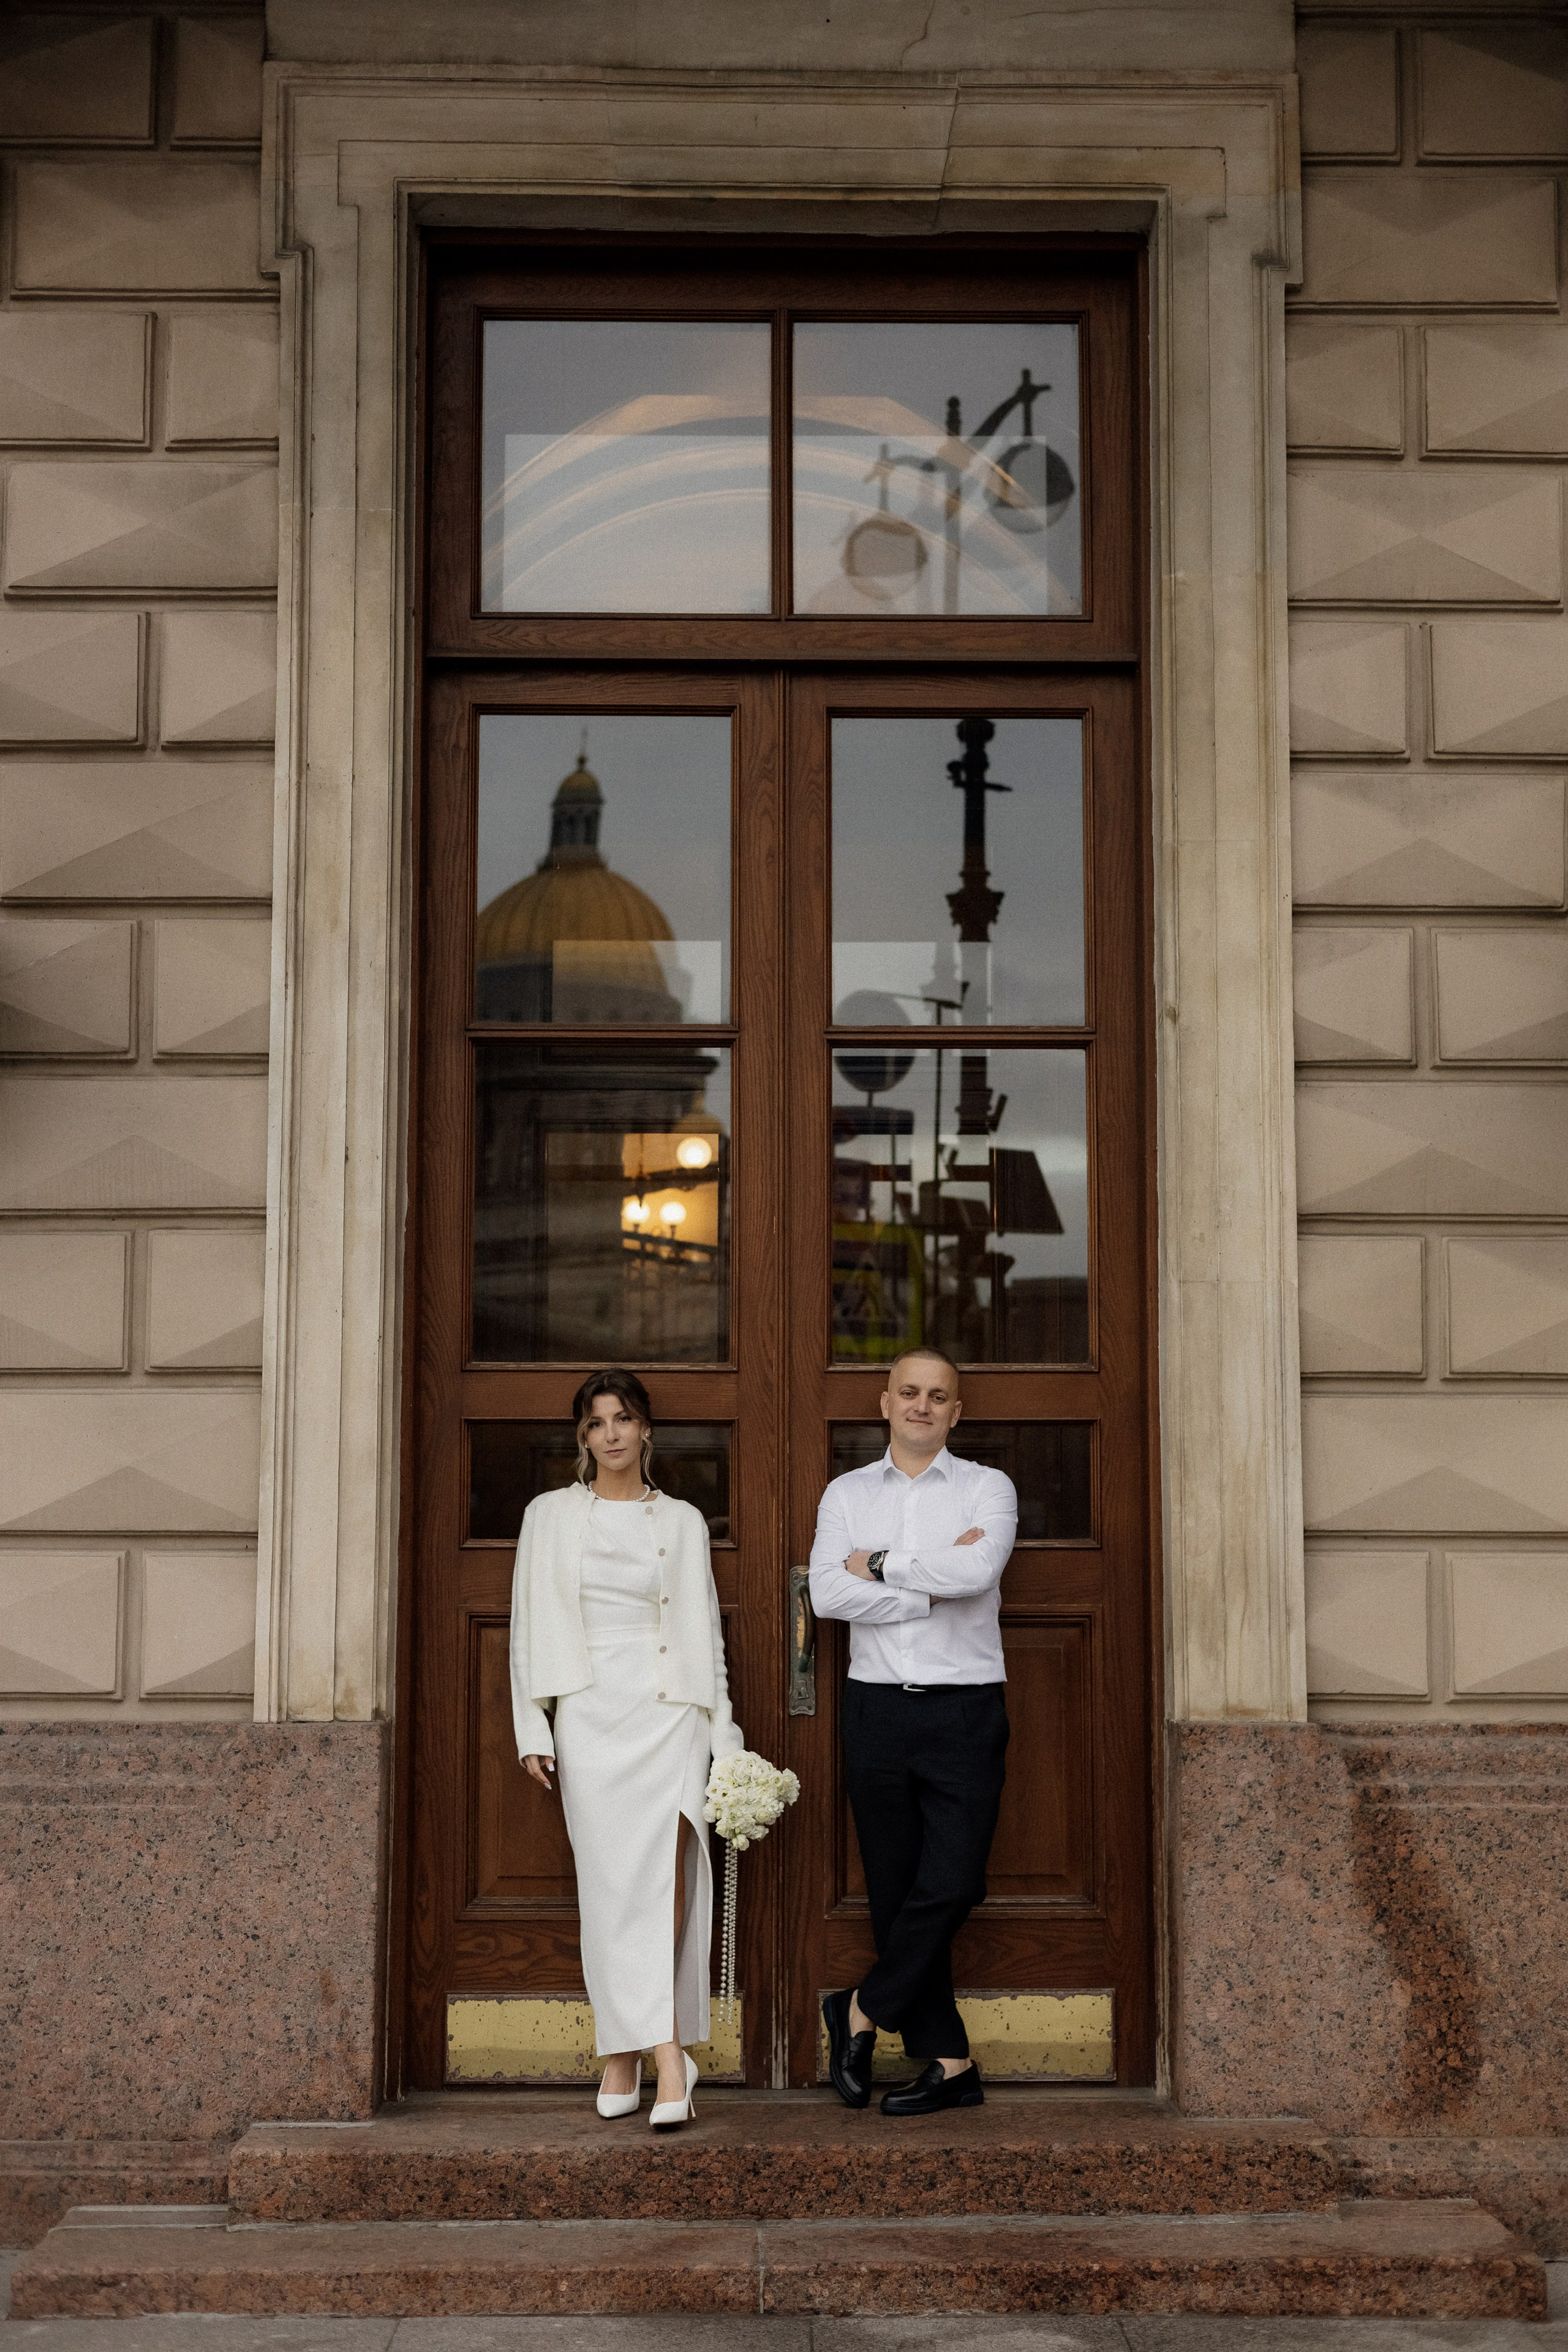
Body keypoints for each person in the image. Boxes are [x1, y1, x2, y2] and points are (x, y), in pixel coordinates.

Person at [509, 1368, 742, 2129]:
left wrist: (724, 1738)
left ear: (647, 1430)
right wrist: (531, 1727)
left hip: (667, 1711)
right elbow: (526, 1626)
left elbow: (705, 1633)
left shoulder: (680, 1519)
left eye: (624, 1419)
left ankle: (659, 2052)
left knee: (665, 1887)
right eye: (597, 1423)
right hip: (588, 1708)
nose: (611, 1433)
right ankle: (627, 2046)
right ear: (583, 1437)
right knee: (609, 1888)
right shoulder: (547, 1514)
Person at [810, 1346, 1017, 2117]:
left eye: (937, 1396)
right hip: (876, 1710)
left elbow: (979, 1573)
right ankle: (952, 2065)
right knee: (898, 1895)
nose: (922, 1405)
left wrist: (883, 1566)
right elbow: (828, 1593)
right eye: (909, 1393)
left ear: (955, 1413)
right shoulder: (847, 1492)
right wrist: (926, 1590)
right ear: (885, 1403)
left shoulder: (986, 1487)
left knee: (956, 1880)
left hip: (965, 1708)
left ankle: (859, 2010)